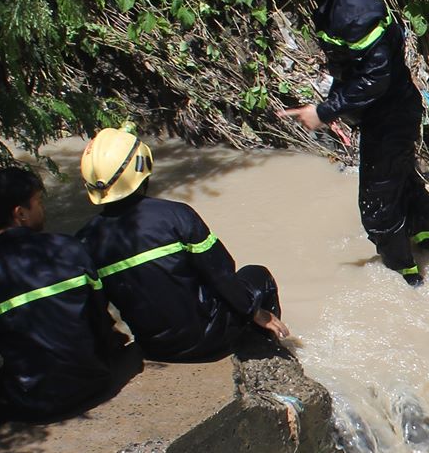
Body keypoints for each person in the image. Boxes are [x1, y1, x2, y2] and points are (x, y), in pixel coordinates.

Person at [265, 0, 429, 284]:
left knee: (377, 210)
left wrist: (326, 110)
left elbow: (377, 77)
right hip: (388, 113)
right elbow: (360, 68)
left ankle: (409, 281)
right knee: (403, 181)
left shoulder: (356, 10)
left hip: (389, 118)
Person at [74, 125, 292, 360]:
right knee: (259, 275)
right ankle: (272, 350)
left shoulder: (84, 241)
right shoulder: (176, 216)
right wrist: (254, 311)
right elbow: (221, 273)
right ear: (142, 165)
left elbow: (96, 309)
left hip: (155, 349)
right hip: (211, 339)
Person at [0, 166, 121, 444]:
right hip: (97, 381)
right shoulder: (69, 248)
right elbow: (98, 317)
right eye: (38, 201)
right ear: (20, 213)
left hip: (37, 405)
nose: (43, 209)